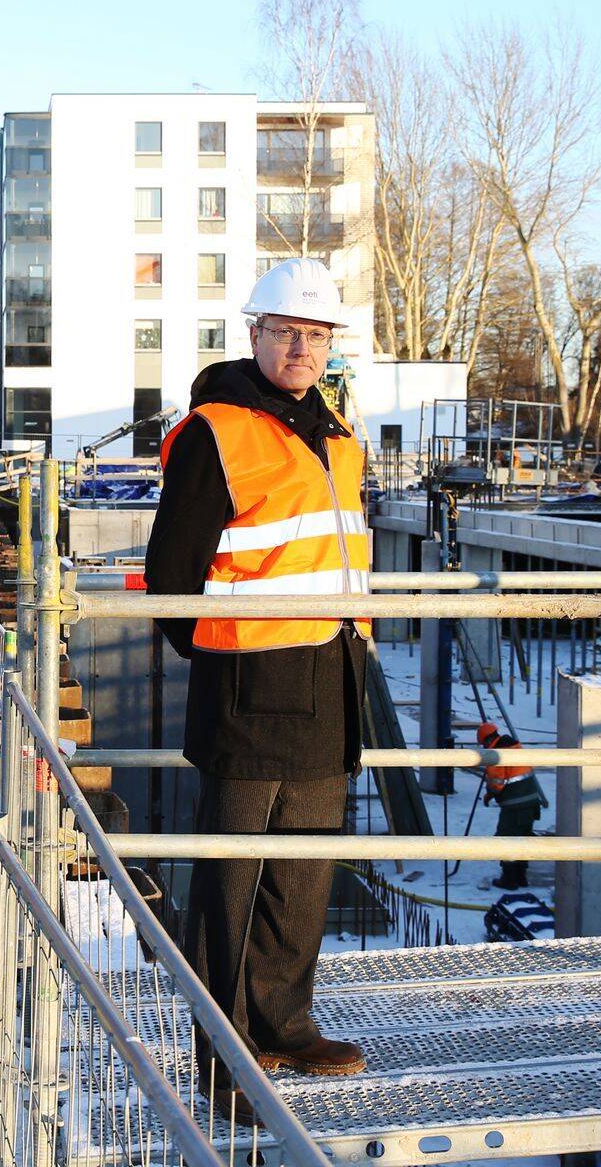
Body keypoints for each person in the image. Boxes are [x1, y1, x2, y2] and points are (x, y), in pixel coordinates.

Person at [143, 257, 369, 1082]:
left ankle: (285, 1026)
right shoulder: (216, 432)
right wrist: (226, 656)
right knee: (232, 884)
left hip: (328, 682)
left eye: (316, 335)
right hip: (248, 689)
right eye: (286, 332)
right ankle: (222, 1056)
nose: (301, 349)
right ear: (255, 335)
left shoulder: (338, 436)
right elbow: (172, 580)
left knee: (302, 878)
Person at [475, 721, 546, 890]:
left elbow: (497, 783)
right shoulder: (515, 746)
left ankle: (509, 879)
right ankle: (521, 876)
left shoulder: (495, 754)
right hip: (531, 803)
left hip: (515, 807)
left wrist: (489, 792)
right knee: (523, 838)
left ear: (485, 740)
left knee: (505, 839)